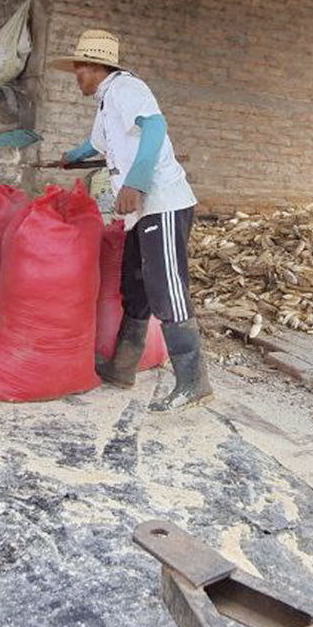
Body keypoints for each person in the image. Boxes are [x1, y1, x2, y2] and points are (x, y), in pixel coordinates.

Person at [51, 29, 212, 410]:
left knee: (166, 287)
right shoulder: (106, 101)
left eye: (79, 69)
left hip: (162, 202)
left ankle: (194, 381)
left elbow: (155, 128)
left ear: (95, 67)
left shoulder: (126, 88)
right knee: (136, 285)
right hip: (141, 211)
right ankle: (123, 367)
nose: (76, 77)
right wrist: (71, 156)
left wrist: (135, 183)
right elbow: (97, 144)